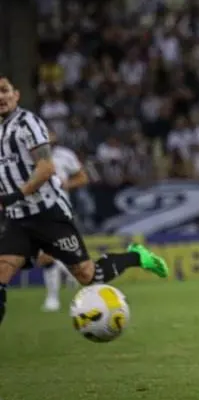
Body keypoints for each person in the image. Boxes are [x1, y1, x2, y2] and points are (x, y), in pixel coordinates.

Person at [0, 77, 169, 328]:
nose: (1, 97)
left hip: (49, 215)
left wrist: (17, 194)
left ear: (17, 94)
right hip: (18, 219)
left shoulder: (28, 123)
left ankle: (135, 256)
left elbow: (46, 167)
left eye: (4, 91)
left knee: (88, 276)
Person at [39, 128, 89, 311]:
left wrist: (66, 184)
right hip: (34, 209)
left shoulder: (65, 155)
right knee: (44, 255)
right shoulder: (26, 157)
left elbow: (83, 177)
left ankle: (52, 299)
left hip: (60, 208)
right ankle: (68, 269)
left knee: (46, 255)